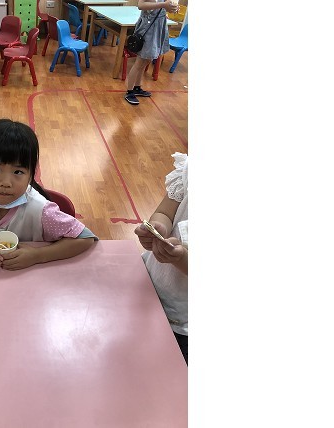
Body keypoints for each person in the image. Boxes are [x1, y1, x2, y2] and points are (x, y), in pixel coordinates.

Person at [0, 119, 97, 270]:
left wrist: (38, 256)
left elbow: (85, 238)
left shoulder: (40, 211)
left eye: (18, 172)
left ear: (31, 175)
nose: (6, 182)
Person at [134, 152, 188, 364]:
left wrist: (180, 259)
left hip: (182, 320)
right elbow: (165, 213)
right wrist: (159, 227)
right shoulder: (189, 172)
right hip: (148, 283)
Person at [124, 0, 179, 105]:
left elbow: (163, 6)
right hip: (148, 30)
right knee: (140, 62)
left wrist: (172, 8)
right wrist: (163, 5)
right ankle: (129, 92)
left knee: (147, 59)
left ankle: (137, 87)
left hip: (157, 28)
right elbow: (141, 5)